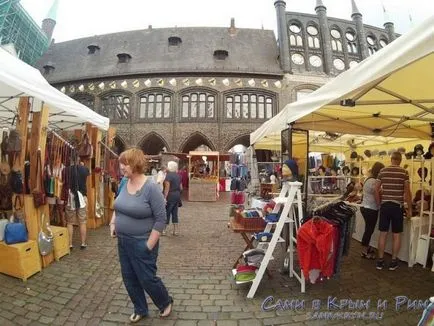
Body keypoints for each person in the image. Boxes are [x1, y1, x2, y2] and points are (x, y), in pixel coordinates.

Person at [110, 148, 173, 323]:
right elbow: (118, 205)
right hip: (123, 242)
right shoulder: (124, 182)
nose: (122, 167)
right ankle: (140, 308)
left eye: (125, 163)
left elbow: (161, 219)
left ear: (136, 164)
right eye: (121, 163)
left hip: (142, 242)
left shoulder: (151, 188)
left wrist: (149, 245)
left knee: (147, 279)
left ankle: (165, 301)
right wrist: (113, 223)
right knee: (129, 278)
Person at [375, 151, 412, 271]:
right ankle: (393, 261)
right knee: (396, 235)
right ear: (400, 160)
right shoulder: (404, 172)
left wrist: (379, 203)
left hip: (385, 205)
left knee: (383, 234)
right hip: (397, 207)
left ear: (391, 159)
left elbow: (376, 189)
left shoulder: (383, 171)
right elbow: (407, 192)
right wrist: (409, 209)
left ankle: (380, 261)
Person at [360, 162, 384, 259]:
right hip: (371, 208)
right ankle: (364, 251)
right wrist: (379, 205)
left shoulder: (368, 179)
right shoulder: (374, 181)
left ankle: (366, 247)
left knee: (368, 229)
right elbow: (376, 193)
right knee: (369, 230)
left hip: (365, 207)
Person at [66, 159, 90, 250]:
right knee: (82, 221)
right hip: (82, 196)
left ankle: (70, 244)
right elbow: (85, 183)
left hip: (70, 197)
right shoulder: (85, 169)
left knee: (69, 222)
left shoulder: (66, 170)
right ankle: (83, 243)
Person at [163, 161, 182, 236]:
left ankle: (164, 230)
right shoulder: (179, 176)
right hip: (177, 195)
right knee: (175, 213)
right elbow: (181, 188)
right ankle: (175, 230)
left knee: (167, 212)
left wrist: (165, 198)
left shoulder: (168, 176)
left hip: (170, 195)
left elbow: (167, 188)